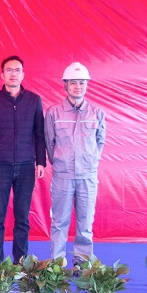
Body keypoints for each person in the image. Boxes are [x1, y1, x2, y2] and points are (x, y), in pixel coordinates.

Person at [0, 55, 46, 264]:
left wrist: (41, 161)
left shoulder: (34, 100)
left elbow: (39, 133)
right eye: (9, 70)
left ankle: (21, 261)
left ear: (23, 74)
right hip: (0, 165)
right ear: (2, 75)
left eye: (17, 70)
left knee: (22, 217)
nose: (13, 74)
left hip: (26, 165)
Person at [45, 62, 106, 265]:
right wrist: (61, 163)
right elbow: (49, 143)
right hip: (62, 176)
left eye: (81, 82)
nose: (77, 86)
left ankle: (82, 262)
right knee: (59, 222)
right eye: (73, 82)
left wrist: (90, 162)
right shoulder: (54, 113)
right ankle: (57, 263)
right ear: (65, 85)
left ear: (87, 84)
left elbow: (100, 142)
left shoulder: (97, 113)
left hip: (87, 176)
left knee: (85, 223)